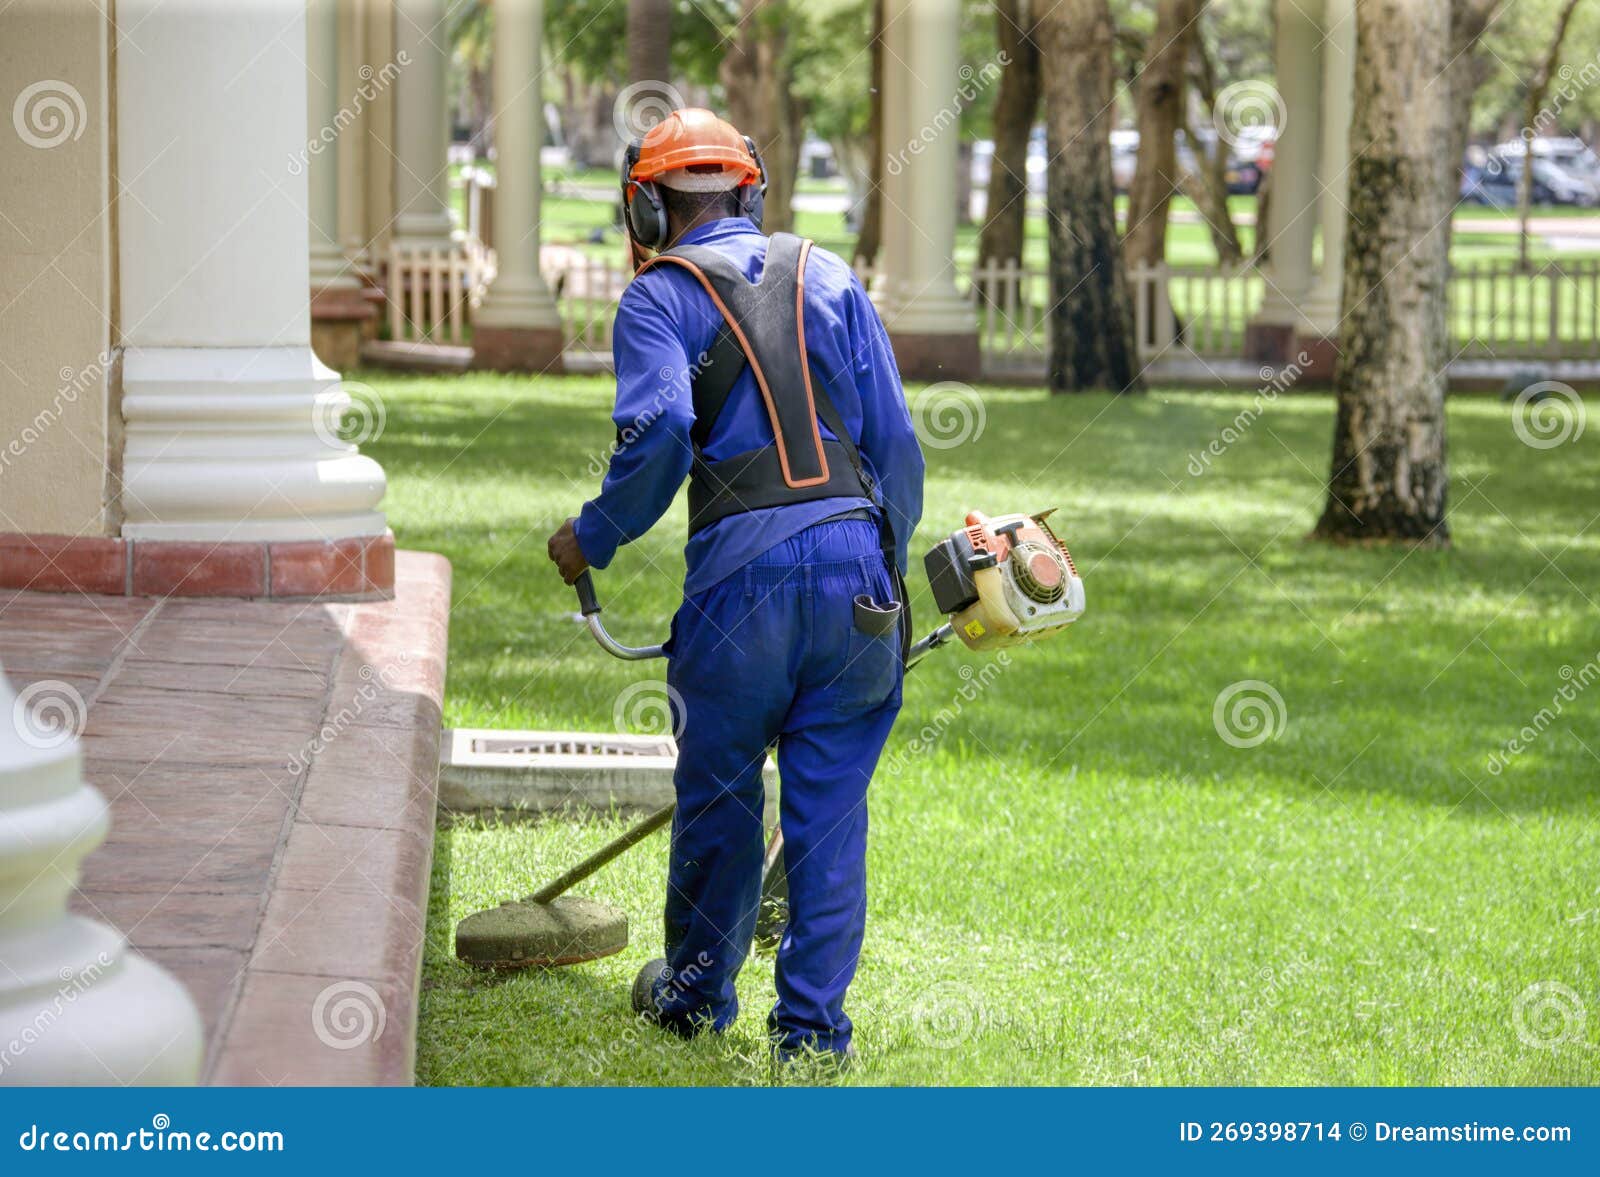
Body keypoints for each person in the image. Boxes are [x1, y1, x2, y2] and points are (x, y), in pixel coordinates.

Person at [546, 108, 924, 1063]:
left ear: (647, 207)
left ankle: (693, 997)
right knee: (828, 813)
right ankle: (810, 1034)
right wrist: (879, 563)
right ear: (749, 193)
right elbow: (900, 451)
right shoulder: (831, 274)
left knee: (719, 797)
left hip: (740, 591)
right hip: (857, 583)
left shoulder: (656, 300)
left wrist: (593, 537)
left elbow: (661, 437)